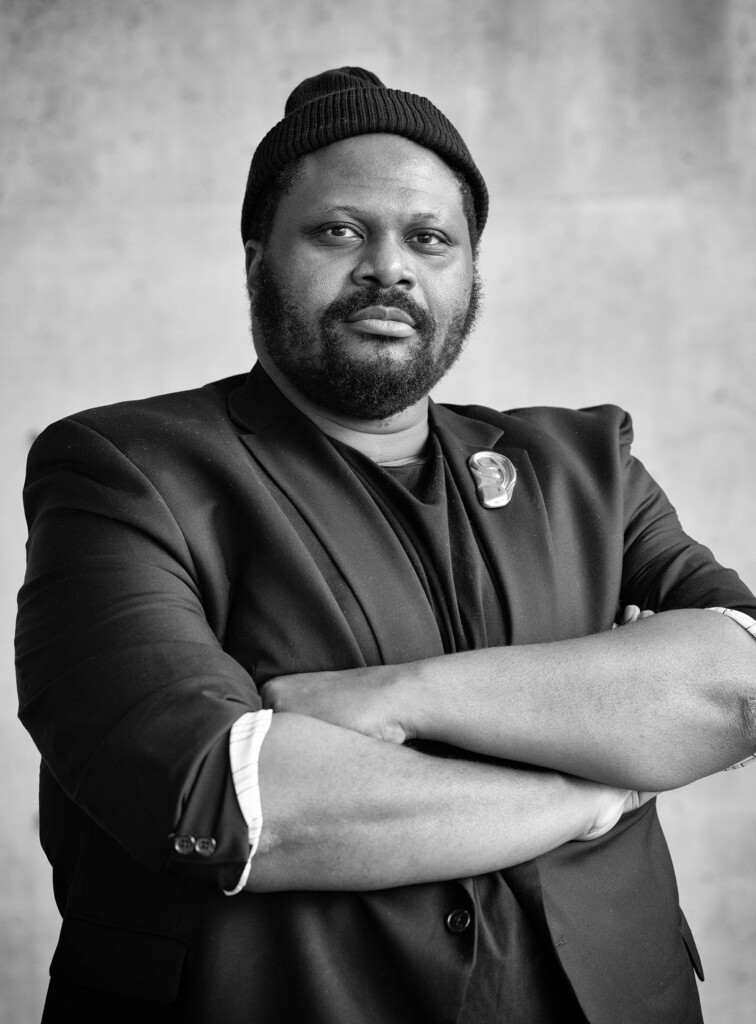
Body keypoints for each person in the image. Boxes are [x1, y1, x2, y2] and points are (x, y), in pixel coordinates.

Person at [16, 66, 756, 1024]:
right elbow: (229, 802)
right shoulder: (123, 469)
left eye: (429, 238)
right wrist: (595, 782)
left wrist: (392, 701)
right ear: (255, 259)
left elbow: (741, 681)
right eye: (338, 230)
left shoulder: (586, 465)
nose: (389, 267)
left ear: (469, 272)